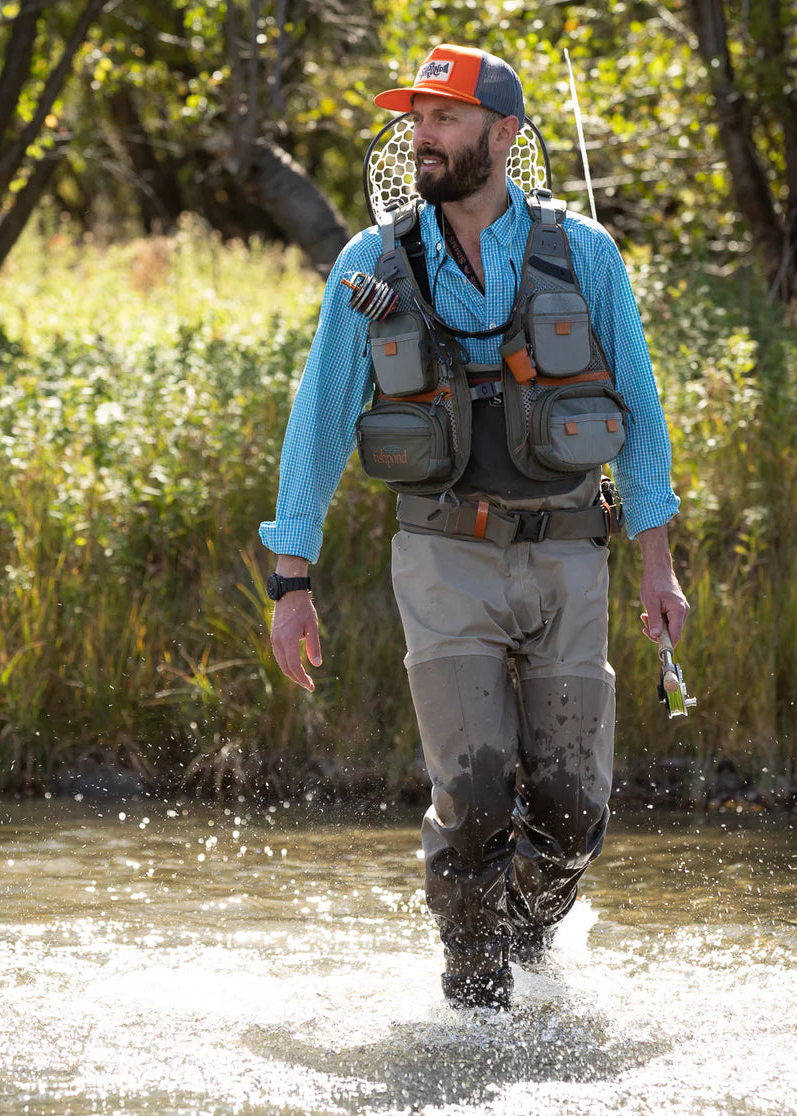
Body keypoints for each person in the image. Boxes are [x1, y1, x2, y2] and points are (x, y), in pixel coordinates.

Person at [257, 43, 689, 1010]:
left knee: (574, 812)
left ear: (503, 133)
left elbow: (642, 416)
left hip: (573, 553)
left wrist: (659, 567)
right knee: (474, 795)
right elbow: (319, 423)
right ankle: (475, 1004)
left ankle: (533, 952)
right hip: (445, 557)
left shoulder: (586, 253)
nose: (424, 138)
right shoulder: (370, 264)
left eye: (445, 119)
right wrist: (292, 584)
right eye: (416, 120)